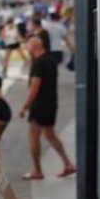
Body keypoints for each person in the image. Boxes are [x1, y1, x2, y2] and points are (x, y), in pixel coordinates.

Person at [21, 36, 75, 180]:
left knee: (34, 137)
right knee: (50, 135)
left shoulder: (38, 63)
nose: (27, 48)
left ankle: (37, 170)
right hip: (51, 103)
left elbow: (34, 87)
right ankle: (68, 164)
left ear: (34, 47)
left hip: (39, 104)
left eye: (28, 46)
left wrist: (25, 106)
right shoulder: (50, 60)